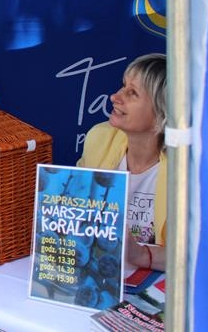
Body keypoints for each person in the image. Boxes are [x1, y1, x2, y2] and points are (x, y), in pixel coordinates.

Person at [77, 53, 167, 272]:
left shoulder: (188, 170)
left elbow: (195, 254)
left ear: (162, 113)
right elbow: (76, 213)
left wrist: (141, 255)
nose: (115, 96)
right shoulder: (99, 138)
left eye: (132, 92)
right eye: (123, 86)